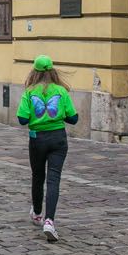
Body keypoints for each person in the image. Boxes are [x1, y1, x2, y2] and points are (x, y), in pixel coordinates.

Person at [15, 55, 79, 243]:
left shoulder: (29, 92)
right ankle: (49, 221)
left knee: (38, 176)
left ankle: (36, 212)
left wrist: (38, 116)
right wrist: (58, 116)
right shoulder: (61, 91)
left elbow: (22, 119)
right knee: (54, 179)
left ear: (34, 72)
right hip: (58, 138)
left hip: (37, 139)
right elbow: (74, 118)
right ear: (53, 72)